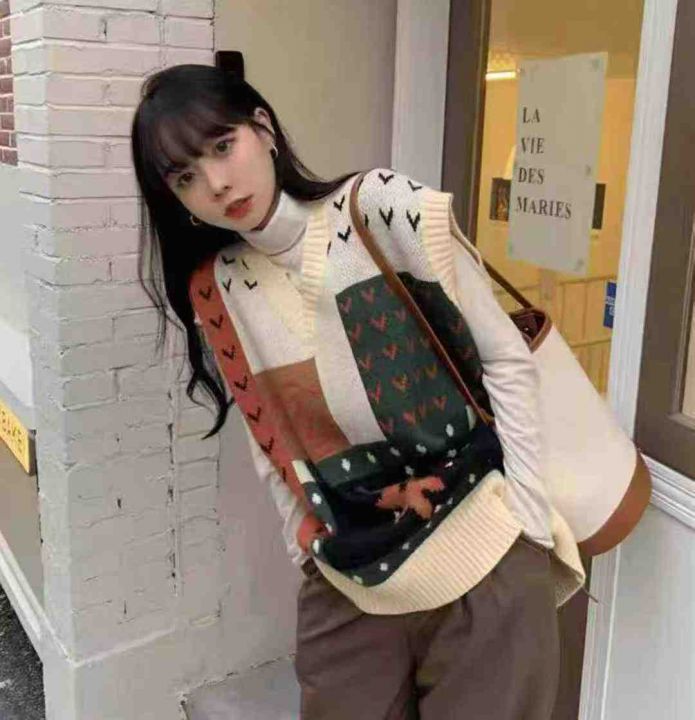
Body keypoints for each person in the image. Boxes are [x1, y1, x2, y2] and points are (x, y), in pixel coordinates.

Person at [130, 63, 586, 719]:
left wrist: (528, 528)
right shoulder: (219, 288)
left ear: (263, 129)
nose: (216, 183)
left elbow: (504, 359)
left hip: (484, 550)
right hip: (351, 573)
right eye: (184, 178)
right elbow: (269, 441)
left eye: (223, 146)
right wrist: (305, 548)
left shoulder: (381, 208)